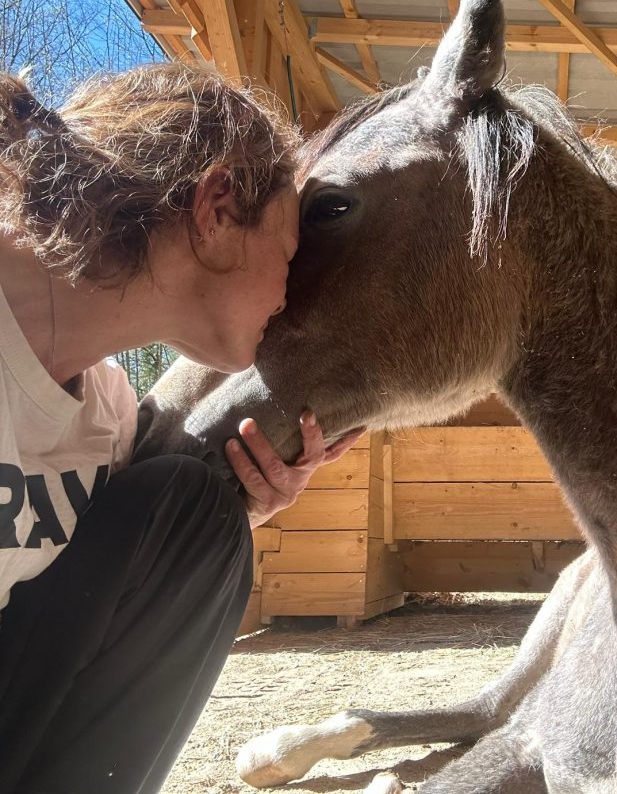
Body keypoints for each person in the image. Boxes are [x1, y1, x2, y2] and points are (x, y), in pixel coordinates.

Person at [0, 63, 363, 794]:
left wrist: (248, 505)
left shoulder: (107, 421)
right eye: (289, 255)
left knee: (200, 514)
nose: (292, 295)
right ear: (218, 209)